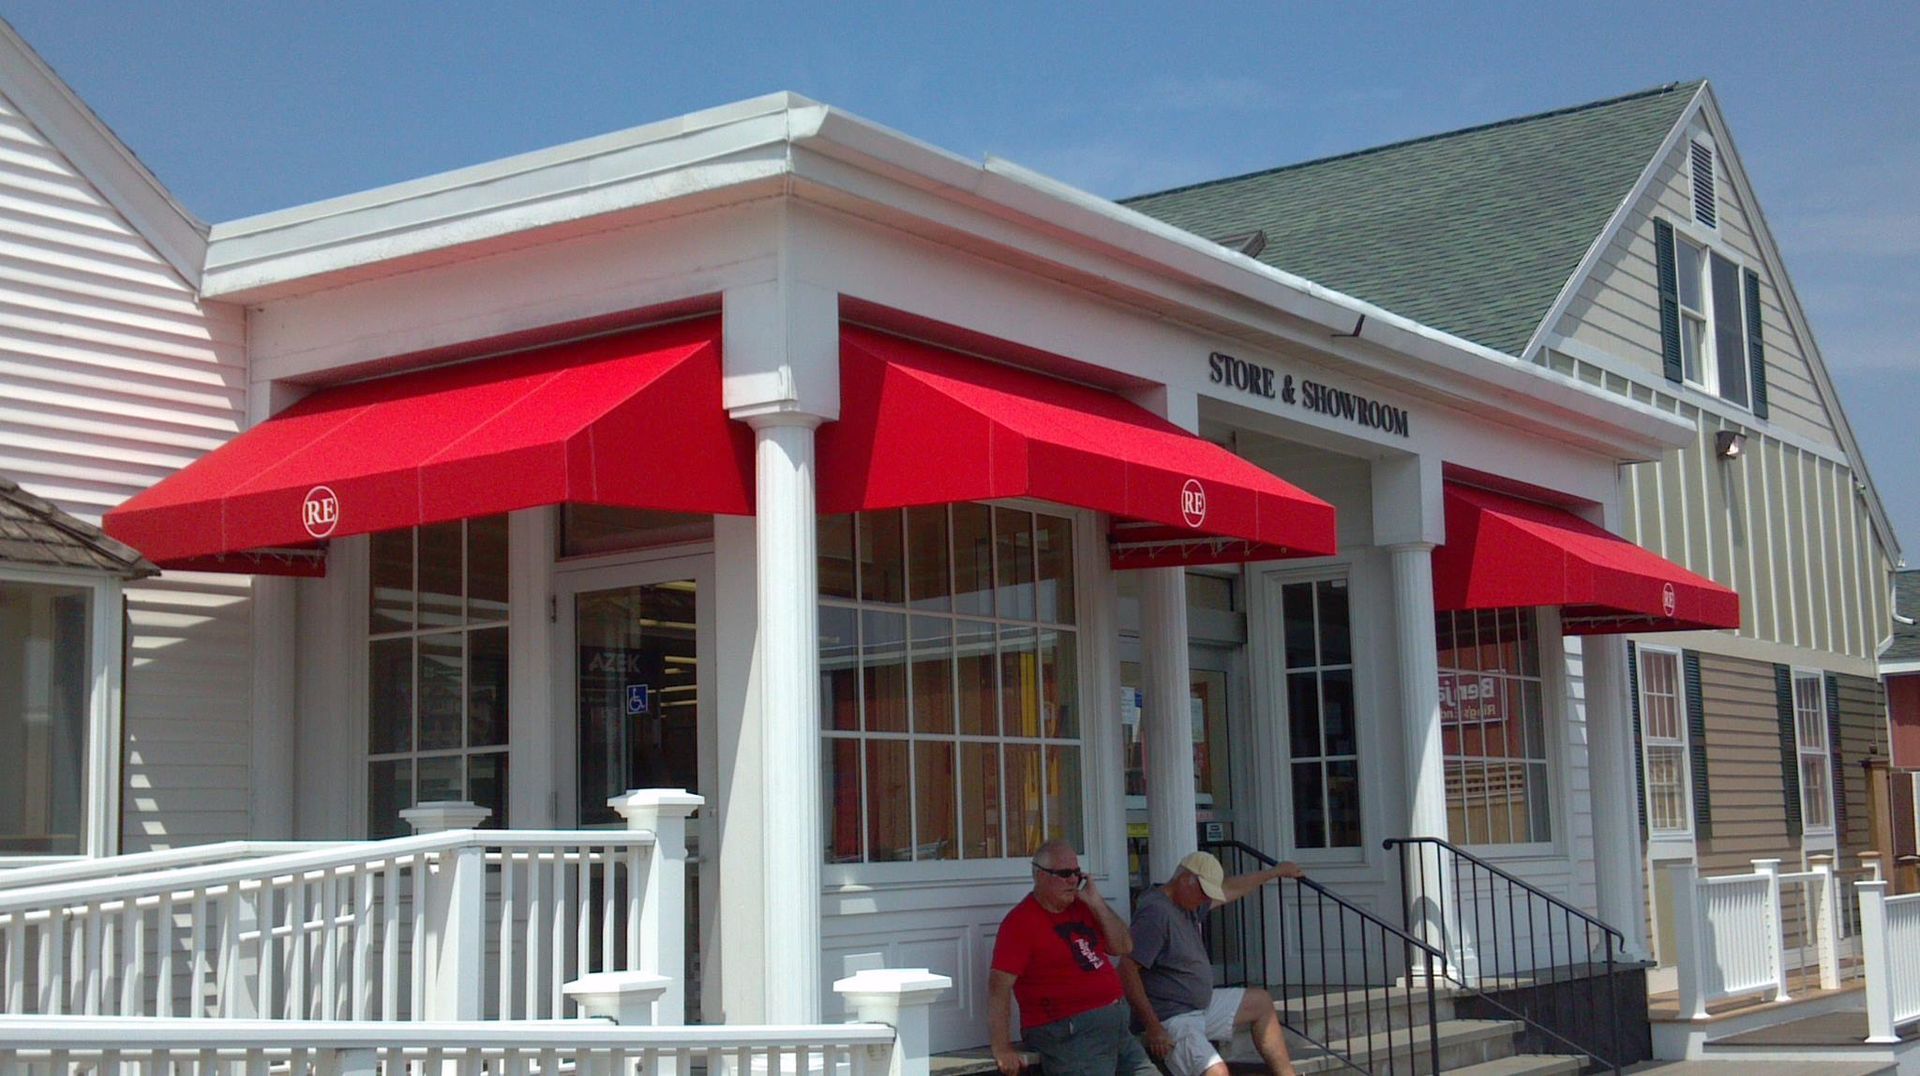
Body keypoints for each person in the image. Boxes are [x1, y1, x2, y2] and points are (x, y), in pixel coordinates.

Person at [1122, 850, 1304, 1076]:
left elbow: (1231, 888)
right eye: (1204, 892)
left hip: (1199, 1006)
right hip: (1172, 1016)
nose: (1206, 900)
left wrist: (1274, 872)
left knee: (1261, 1002)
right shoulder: (1155, 912)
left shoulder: (1187, 902)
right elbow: (1127, 969)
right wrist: (1153, 1027)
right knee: (1216, 1072)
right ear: (1186, 879)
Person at [988, 840, 1157, 1076]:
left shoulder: (1083, 907)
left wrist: (1097, 904)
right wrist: (1001, 1046)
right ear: (1040, 875)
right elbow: (999, 987)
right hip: (1071, 1035)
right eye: (1065, 874)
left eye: (1077, 873)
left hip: (1116, 1030)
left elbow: (1123, 946)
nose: (1073, 880)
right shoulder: (1020, 923)